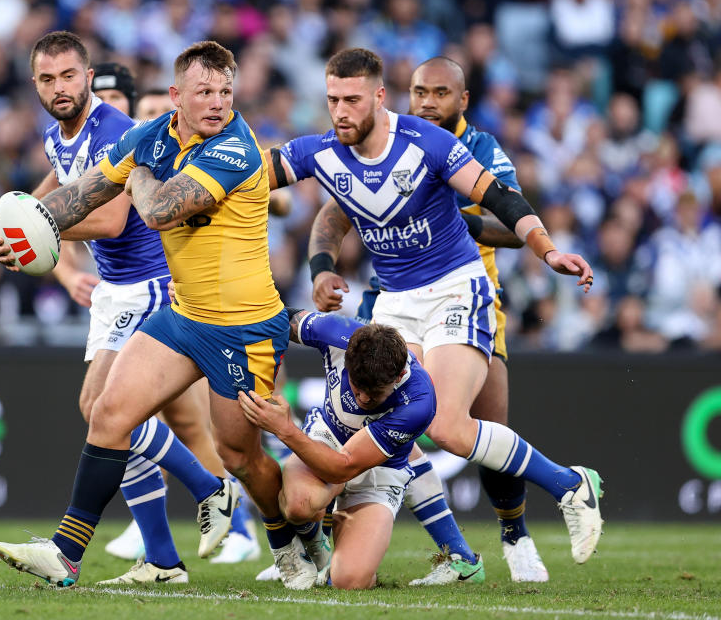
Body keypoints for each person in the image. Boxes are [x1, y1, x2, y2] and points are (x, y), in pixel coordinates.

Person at [0, 41, 319, 590]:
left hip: (243, 325)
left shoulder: (235, 147)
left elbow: (158, 210)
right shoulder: (149, 137)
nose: (217, 103)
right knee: (110, 413)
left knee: (239, 454)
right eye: (204, 92)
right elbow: (82, 196)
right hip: (183, 316)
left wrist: (134, 166)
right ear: (175, 96)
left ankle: (287, 538)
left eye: (226, 91)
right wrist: (22, 229)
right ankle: (67, 554)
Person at [268, 48, 604, 573]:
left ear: (379, 96)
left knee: (447, 425)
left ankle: (569, 485)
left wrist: (547, 249)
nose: (340, 112)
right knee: (394, 416)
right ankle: (458, 553)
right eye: (332, 100)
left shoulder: (430, 143)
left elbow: (499, 196)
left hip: (455, 288)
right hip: (396, 301)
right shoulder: (323, 152)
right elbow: (251, 177)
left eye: (352, 100)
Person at [0, 32, 238, 586]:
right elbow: (58, 186)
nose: (59, 88)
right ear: (34, 83)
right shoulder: (56, 134)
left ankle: (206, 490)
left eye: (68, 76)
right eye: (46, 79)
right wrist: (10, 218)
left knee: (106, 409)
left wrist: (28, 229)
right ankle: (162, 558)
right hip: (113, 290)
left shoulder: (117, 130)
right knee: (106, 415)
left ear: (89, 77)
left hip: (152, 283)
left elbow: (110, 220)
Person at [352, 56, 550, 582]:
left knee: (481, 429)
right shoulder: (387, 139)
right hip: (392, 298)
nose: (427, 102)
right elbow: (336, 208)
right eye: (419, 91)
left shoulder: (481, 149)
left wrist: (446, 216)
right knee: (373, 420)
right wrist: (323, 265)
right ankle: (450, 550)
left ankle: (515, 533)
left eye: (441, 93)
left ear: (463, 100)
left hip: (468, 299)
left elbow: (511, 223)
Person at [90, 62, 261, 566]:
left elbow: (124, 214)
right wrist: (21, 225)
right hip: (125, 294)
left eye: (223, 91)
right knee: (150, 419)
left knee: (122, 412)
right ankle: (169, 536)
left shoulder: (193, 145)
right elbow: (60, 201)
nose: (122, 112)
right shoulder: (89, 142)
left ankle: (229, 515)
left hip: (165, 291)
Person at [239, 309, 476, 589]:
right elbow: (272, 317)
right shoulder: (333, 331)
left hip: (379, 471)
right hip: (327, 434)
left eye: (374, 393)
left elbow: (344, 466)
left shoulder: (420, 401)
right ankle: (314, 551)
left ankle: (337, 552)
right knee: (299, 505)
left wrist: (285, 429)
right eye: (357, 387)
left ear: (399, 375)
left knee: (350, 580)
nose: (363, 398)